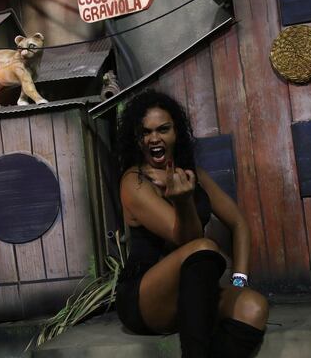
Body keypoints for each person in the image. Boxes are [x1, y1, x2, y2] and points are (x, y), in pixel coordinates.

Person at [115, 90, 268, 357]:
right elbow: (188, 241)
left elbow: (239, 222)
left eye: (163, 129)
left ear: (176, 134)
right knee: (203, 248)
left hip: (195, 297)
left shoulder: (192, 174)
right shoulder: (134, 182)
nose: (154, 138)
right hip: (145, 299)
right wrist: (183, 201)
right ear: (137, 139)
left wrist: (239, 281)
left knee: (254, 307)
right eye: (145, 132)